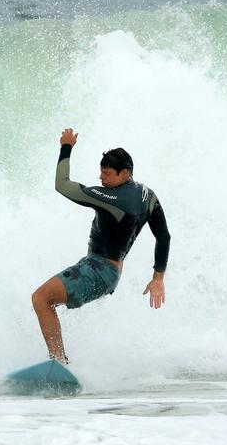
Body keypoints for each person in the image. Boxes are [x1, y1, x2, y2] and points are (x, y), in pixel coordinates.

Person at [31, 128, 171, 363]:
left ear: (125, 173)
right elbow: (164, 236)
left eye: (106, 173)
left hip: (97, 271)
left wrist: (66, 146)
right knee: (47, 300)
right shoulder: (148, 196)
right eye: (101, 171)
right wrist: (158, 278)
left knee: (41, 298)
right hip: (109, 273)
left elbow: (62, 185)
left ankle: (58, 362)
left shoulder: (108, 198)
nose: (100, 178)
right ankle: (60, 359)